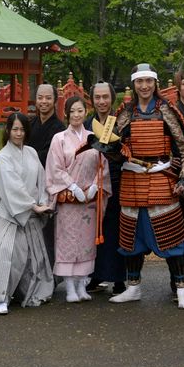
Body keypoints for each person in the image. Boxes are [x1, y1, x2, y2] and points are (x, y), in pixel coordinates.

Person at [109, 63, 184, 308]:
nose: (144, 86)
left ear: (155, 83)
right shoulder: (125, 111)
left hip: (160, 177)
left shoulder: (167, 110)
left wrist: (183, 179)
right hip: (131, 179)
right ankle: (133, 287)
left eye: (149, 81)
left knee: (172, 238)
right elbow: (113, 144)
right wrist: (110, 150)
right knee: (130, 239)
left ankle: (182, 290)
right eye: (140, 81)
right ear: (134, 84)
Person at [0, 112, 54, 314]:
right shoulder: (2, 157)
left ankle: (25, 293)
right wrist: (33, 205)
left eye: (22, 129)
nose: (19, 133)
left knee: (34, 258)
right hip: (8, 214)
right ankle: (1, 298)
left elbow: (41, 180)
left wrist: (42, 202)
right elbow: (11, 187)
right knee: (7, 254)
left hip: (30, 213)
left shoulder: (31, 152)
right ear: (8, 130)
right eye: (15, 129)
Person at [46, 96, 111, 303]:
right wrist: (72, 186)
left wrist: (95, 185)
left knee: (86, 243)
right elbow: (55, 167)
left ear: (86, 112)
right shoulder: (59, 139)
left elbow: (103, 165)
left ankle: (83, 284)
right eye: (72, 111)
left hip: (88, 201)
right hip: (69, 199)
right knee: (67, 242)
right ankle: (70, 288)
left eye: (80, 111)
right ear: (66, 113)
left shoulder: (94, 137)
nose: (76, 115)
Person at [85, 82, 127, 295]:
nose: (101, 101)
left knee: (116, 232)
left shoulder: (120, 123)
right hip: (92, 185)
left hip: (117, 183)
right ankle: (96, 275)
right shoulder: (87, 123)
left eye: (105, 97)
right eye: (97, 97)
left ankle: (119, 279)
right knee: (94, 231)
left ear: (112, 98)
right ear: (92, 100)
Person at [29, 83, 64, 266]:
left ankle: (49, 274)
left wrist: (29, 157)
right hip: (28, 184)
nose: (44, 101)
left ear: (54, 101)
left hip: (49, 184)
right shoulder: (29, 124)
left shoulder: (59, 128)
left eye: (48, 98)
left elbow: (52, 158)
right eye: (40, 97)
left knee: (48, 232)